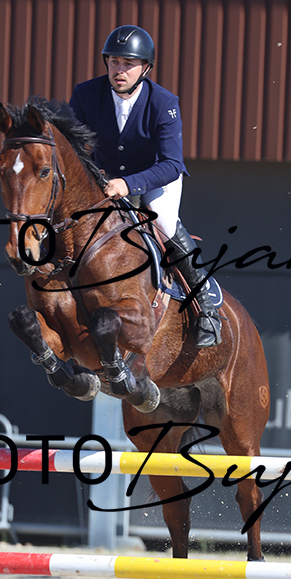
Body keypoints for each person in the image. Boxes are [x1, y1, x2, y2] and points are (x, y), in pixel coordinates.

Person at [69, 25, 221, 348]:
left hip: (155, 178)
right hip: (104, 179)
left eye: (128, 63)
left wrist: (129, 184)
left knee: (163, 221)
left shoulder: (163, 102)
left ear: (145, 68)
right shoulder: (85, 94)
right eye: (114, 62)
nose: (119, 70)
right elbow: (73, 147)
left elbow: (172, 163)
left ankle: (206, 307)